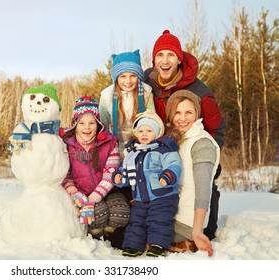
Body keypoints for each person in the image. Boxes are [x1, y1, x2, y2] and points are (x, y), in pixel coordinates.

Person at [144, 30, 225, 240]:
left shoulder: (199, 92)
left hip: (194, 146)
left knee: (201, 181)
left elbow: (217, 128)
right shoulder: (147, 84)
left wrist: (209, 159)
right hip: (164, 146)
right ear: (154, 60)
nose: (165, 60)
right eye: (160, 55)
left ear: (179, 59)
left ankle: (204, 225)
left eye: (170, 55)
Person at [60, 95, 130, 243]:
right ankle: (95, 237)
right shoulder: (67, 145)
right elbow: (65, 175)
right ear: (75, 125)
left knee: (120, 212)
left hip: (108, 191)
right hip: (82, 193)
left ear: (98, 124)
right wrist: (75, 194)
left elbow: (110, 175)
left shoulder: (109, 143)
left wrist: (93, 199)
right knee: (98, 214)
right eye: (82, 123)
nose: (87, 127)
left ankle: (113, 237)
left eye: (92, 122)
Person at [112, 110, 182, 257]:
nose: (144, 134)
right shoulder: (132, 153)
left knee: (159, 220)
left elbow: (173, 165)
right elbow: (125, 171)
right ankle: (132, 245)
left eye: (149, 130)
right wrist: (118, 176)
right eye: (141, 131)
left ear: (157, 133)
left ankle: (157, 245)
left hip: (162, 196)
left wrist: (168, 175)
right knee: (136, 221)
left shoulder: (164, 150)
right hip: (140, 198)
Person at [165, 90, 220, 256]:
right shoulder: (176, 139)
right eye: (177, 113)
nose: (182, 118)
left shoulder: (201, 143)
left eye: (188, 112)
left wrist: (197, 230)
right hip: (170, 212)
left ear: (197, 114)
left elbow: (202, 190)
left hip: (186, 221)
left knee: (139, 235)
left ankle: (188, 241)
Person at [99, 49, 155, 155]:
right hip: (114, 146)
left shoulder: (146, 92)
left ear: (138, 76)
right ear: (116, 78)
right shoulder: (107, 96)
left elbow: (152, 120)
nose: (128, 81)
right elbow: (103, 125)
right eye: (123, 76)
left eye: (133, 76)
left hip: (141, 144)